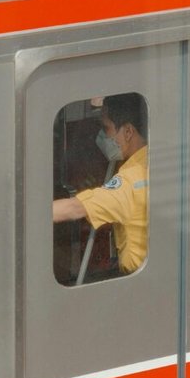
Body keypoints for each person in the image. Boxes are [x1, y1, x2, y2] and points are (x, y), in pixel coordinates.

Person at [54, 94, 149, 275]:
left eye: (107, 129)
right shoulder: (152, 161)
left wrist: (24, 217)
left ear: (128, 132)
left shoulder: (130, 182)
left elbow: (75, 208)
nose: (102, 136)